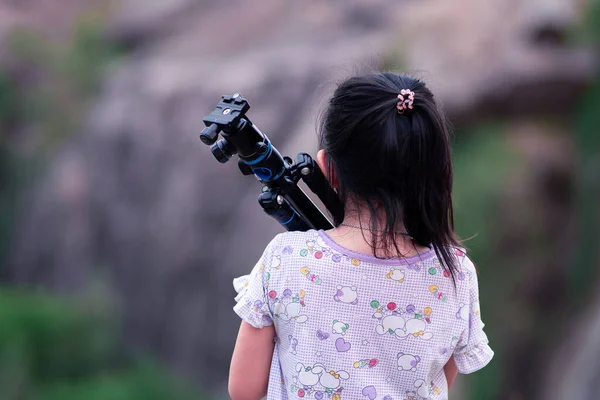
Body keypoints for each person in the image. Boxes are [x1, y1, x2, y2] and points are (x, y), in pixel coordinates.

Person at [228, 72, 494, 400]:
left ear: (327, 168)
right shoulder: (455, 274)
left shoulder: (285, 258)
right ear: (431, 174)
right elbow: (436, 383)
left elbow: (244, 390)